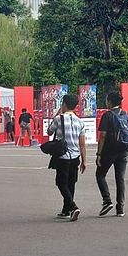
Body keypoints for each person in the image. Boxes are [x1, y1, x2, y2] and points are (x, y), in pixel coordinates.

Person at [47, 94, 86, 222]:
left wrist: (58, 113)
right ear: (75, 106)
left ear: (63, 104)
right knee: (71, 183)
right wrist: (84, 160)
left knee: (61, 183)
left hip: (63, 156)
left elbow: (49, 131)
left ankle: (73, 206)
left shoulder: (58, 119)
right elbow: (82, 143)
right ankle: (66, 210)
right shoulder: (80, 122)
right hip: (75, 156)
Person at [96, 92, 128, 217]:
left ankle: (107, 200)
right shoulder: (126, 114)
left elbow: (102, 135)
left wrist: (99, 154)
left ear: (110, 101)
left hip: (109, 150)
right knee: (120, 178)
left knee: (100, 175)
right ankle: (120, 208)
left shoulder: (107, 116)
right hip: (124, 150)